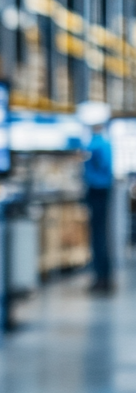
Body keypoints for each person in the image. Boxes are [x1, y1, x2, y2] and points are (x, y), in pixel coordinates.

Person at [78, 102, 114, 293]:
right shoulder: (99, 142)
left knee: (99, 236)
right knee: (99, 235)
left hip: (98, 191)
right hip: (99, 190)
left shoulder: (98, 144)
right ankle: (101, 277)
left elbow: (103, 167)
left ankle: (102, 278)